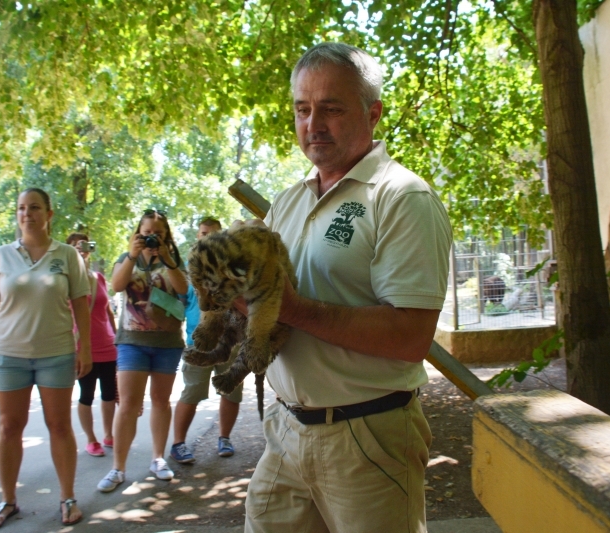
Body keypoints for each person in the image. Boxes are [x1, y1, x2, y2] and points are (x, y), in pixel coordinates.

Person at [243, 43, 453, 533]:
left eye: (331, 108)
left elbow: (410, 338)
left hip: (369, 434)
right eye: (302, 108)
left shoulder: (403, 197)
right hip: (285, 428)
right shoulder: (287, 202)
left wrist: (288, 308)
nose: (313, 123)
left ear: (372, 113)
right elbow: (266, 306)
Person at [0, 188, 91, 528]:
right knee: (8, 427)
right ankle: (8, 501)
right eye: (21, 208)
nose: (26, 213)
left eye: (34, 207)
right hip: (8, 356)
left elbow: (81, 302)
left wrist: (86, 347)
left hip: (57, 354)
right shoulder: (2, 256)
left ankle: (67, 498)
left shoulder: (67, 255)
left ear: (49, 214)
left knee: (60, 426)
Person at [97, 209, 188, 492]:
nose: (151, 238)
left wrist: (168, 259)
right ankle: (117, 469)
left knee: (161, 401)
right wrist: (132, 254)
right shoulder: (127, 258)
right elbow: (117, 285)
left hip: (167, 343)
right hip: (132, 342)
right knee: (127, 405)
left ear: (166, 236)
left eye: (157, 234)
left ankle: (158, 459)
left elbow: (183, 289)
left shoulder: (173, 260)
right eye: (146, 233)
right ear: (138, 232)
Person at [170, 217, 241, 464]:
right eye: (203, 233)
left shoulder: (234, 269)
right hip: (199, 343)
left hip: (230, 343)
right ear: (197, 237)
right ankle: (178, 444)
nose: (207, 237)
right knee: (191, 392)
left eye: (213, 234)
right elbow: (179, 293)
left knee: (231, 393)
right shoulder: (190, 271)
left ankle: (224, 438)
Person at [66, 233, 118, 457]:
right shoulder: (64, 278)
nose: (81, 249)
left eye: (85, 245)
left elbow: (107, 312)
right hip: (81, 347)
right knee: (86, 394)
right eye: (75, 246)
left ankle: (108, 434)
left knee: (109, 393)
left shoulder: (99, 278)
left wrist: (118, 338)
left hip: (107, 345)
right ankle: (91, 439)